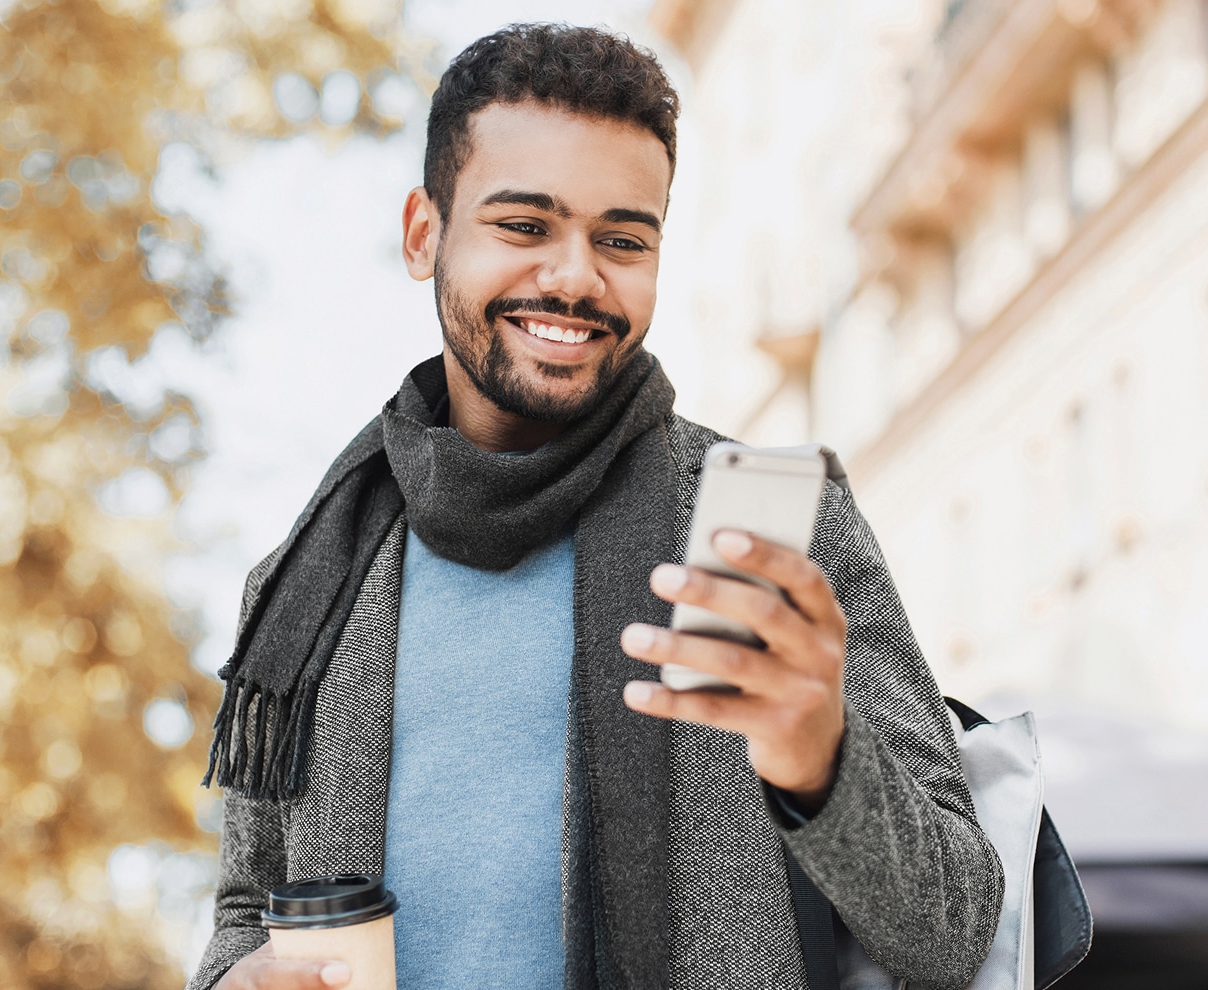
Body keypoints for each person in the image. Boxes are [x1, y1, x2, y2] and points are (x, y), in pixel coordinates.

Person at [189, 23, 1003, 990]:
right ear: (423, 235)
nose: (575, 277)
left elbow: (954, 933)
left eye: (621, 240)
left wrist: (819, 758)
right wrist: (231, 982)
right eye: (523, 226)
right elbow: (245, 913)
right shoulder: (304, 585)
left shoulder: (767, 535)